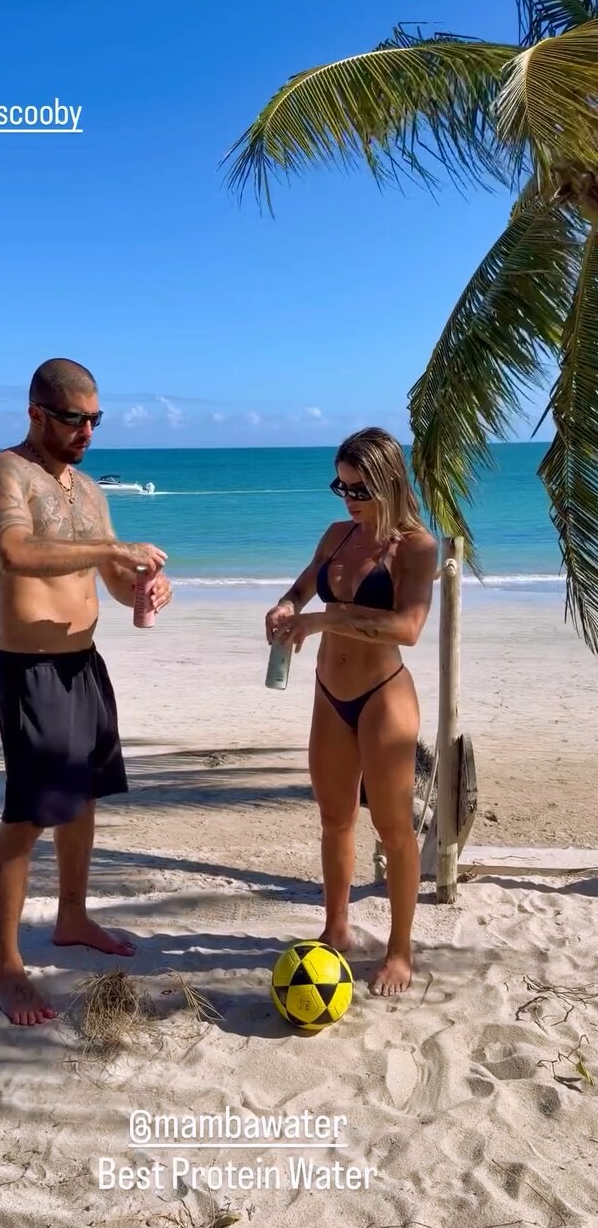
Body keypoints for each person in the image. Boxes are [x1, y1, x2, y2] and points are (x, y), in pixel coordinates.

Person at [0, 357, 172, 1026]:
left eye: (95, 420)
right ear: (37, 413)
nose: (86, 432)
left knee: (83, 797)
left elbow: (110, 578)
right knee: (28, 816)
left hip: (83, 661)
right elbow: (17, 554)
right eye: (73, 419)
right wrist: (108, 551)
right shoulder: (6, 472)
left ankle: (73, 917)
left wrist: (141, 584)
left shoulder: (88, 490)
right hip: (29, 667)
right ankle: (5, 969)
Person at [265, 427, 437, 996]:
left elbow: (408, 628)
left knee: (393, 828)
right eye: (341, 486)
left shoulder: (415, 547)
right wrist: (285, 606)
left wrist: (324, 620)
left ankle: (400, 950)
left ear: (389, 483)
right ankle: (335, 928)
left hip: (384, 696)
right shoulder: (337, 536)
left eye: (360, 489)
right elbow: (301, 589)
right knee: (335, 818)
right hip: (329, 693)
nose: (349, 499)